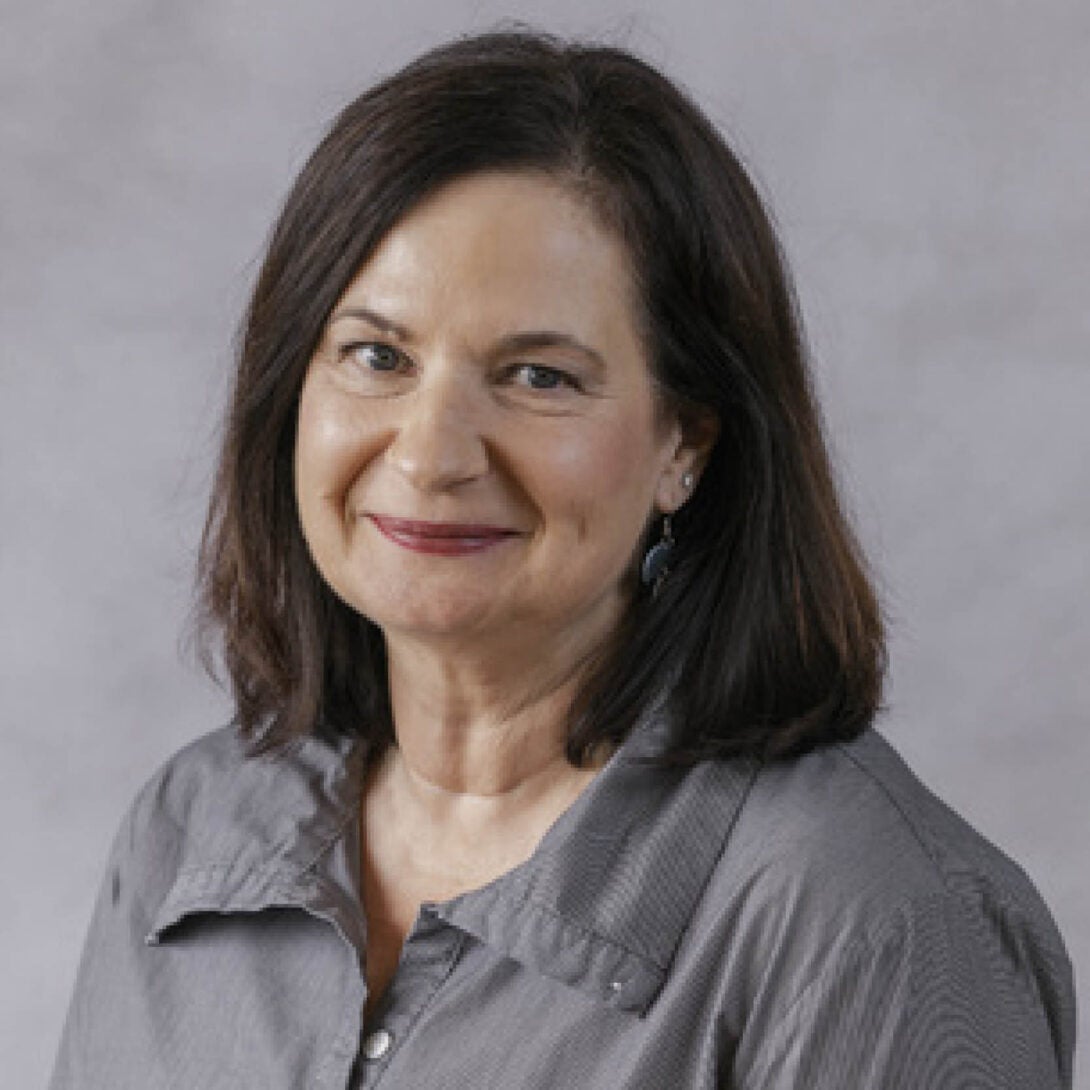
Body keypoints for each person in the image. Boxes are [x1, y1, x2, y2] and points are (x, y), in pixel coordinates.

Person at [50, 29, 1074, 1090]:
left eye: (538, 376)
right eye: (376, 355)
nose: (430, 453)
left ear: (686, 442)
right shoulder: (188, 835)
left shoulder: (869, 921)